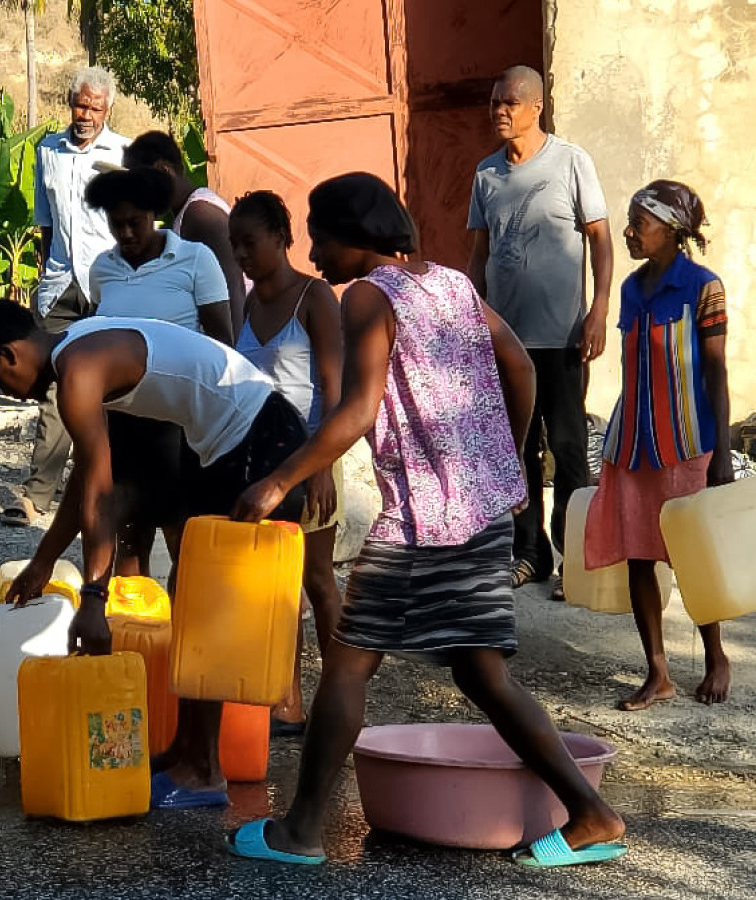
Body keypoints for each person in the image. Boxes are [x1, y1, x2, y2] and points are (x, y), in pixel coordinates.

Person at [224, 172, 625, 868]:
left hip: (422, 522)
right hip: (481, 510)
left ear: (354, 237)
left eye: (321, 238)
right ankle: (591, 814)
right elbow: (521, 366)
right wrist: (503, 458)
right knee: (481, 674)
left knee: (347, 663)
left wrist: (278, 480)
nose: (314, 254)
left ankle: (300, 831)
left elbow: (357, 410)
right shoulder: (450, 283)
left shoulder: (369, 296)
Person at [0, 300, 307, 808]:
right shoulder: (80, 347)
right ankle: (187, 749)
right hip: (239, 437)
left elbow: (100, 495)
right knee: (191, 595)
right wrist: (43, 560)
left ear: (10, 354)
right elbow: (88, 476)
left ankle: (203, 769)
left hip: (258, 440)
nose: (6, 393)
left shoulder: (77, 372)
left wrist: (93, 598)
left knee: (205, 606)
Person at [467, 65, 614, 598]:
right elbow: (479, 252)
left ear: (536, 107)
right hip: (509, 343)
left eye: (510, 102)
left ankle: (576, 559)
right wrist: (472, 315)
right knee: (518, 451)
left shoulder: (571, 162)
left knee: (569, 449)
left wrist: (598, 309)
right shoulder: (486, 174)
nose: (499, 111)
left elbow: (600, 239)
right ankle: (529, 553)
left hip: (563, 338)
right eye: (494, 103)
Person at [585, 181, 732, 711]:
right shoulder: (630, 288)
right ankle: (658, 672)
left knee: (693, 554)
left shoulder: (704, 287)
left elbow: (715, 372)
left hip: (687, 442)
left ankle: (716, 656)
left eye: (639, 224)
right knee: (639, 556)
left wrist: (721, 451)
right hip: (632, 444)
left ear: (671, 230)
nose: (628, 232)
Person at [228, 190, 344, 735]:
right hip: (261, 464)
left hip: (310, 456)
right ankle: (287, 702)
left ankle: (341, 696)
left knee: (316, 580)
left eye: (249, 242)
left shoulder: (314, 298)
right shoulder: (249, 304)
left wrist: (322, 465)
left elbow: (335, 389)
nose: (240, 254)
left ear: (281, 238)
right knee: (274, 586)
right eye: (234, 244)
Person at [87, 166, 233, 576]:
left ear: (153, 214)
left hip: (179, 424)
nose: (126, 233)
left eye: (134, 222)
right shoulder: (102, 269)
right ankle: (134, 614)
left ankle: (186, 615)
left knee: (183, 536)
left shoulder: (194, 259)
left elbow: (222, 342)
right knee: (129, 537)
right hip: (122, 421)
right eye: (116, 224)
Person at [2, 67, 129, 527]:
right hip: (60, 285)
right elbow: (46, 224)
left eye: (95, 108)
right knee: (55, 384)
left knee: (114, 389)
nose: (86, 115)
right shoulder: (48, 152)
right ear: (70, 104)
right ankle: (37, 494)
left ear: (107, 110)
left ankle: (110, 490)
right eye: (80, 105)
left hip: (109, 284)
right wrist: (44, 276)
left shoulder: (123, 154)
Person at [123, 130, 247, 336]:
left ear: (164, 170)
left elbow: (233, 287)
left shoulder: (200, 215)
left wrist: (233, 352)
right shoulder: (187, 215)